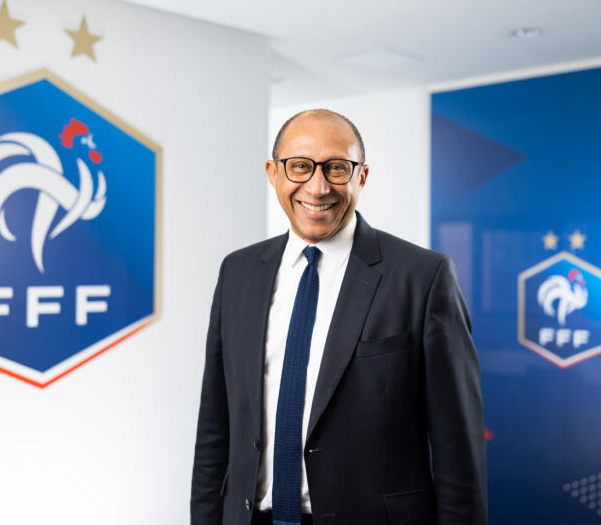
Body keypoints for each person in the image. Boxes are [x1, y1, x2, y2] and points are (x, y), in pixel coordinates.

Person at [191, 109, 487, 525]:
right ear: (273, 173)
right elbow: (215, 427)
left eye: (336, 168)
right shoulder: (238, 272)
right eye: (299, 166)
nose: (318, 187)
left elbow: (458, 447)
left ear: (361, 177)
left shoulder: (423, 277)